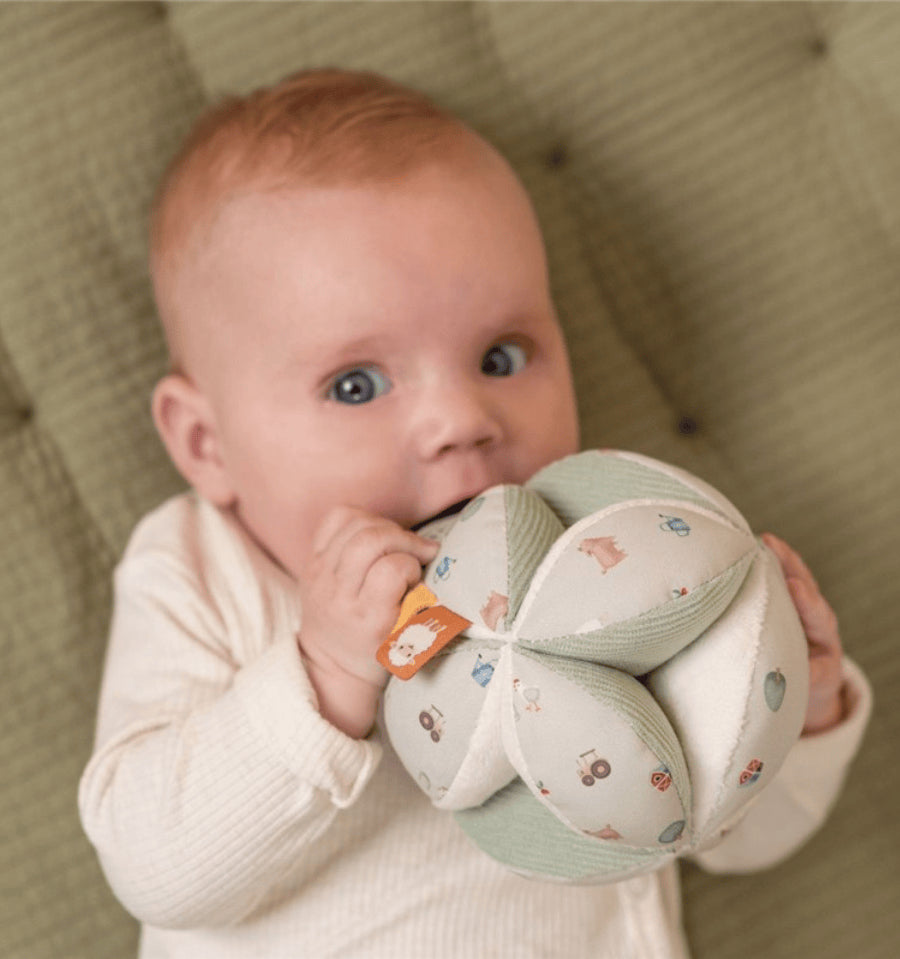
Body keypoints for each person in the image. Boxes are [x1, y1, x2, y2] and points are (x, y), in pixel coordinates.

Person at [78, 69, 871, 959]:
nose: (462, 420)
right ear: (206, 442)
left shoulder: (604, 561)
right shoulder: (199, 570)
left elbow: (734, 834)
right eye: (356, 384)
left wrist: (789, 704)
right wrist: (324, 674)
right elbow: (155, 867)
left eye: (501, 355)